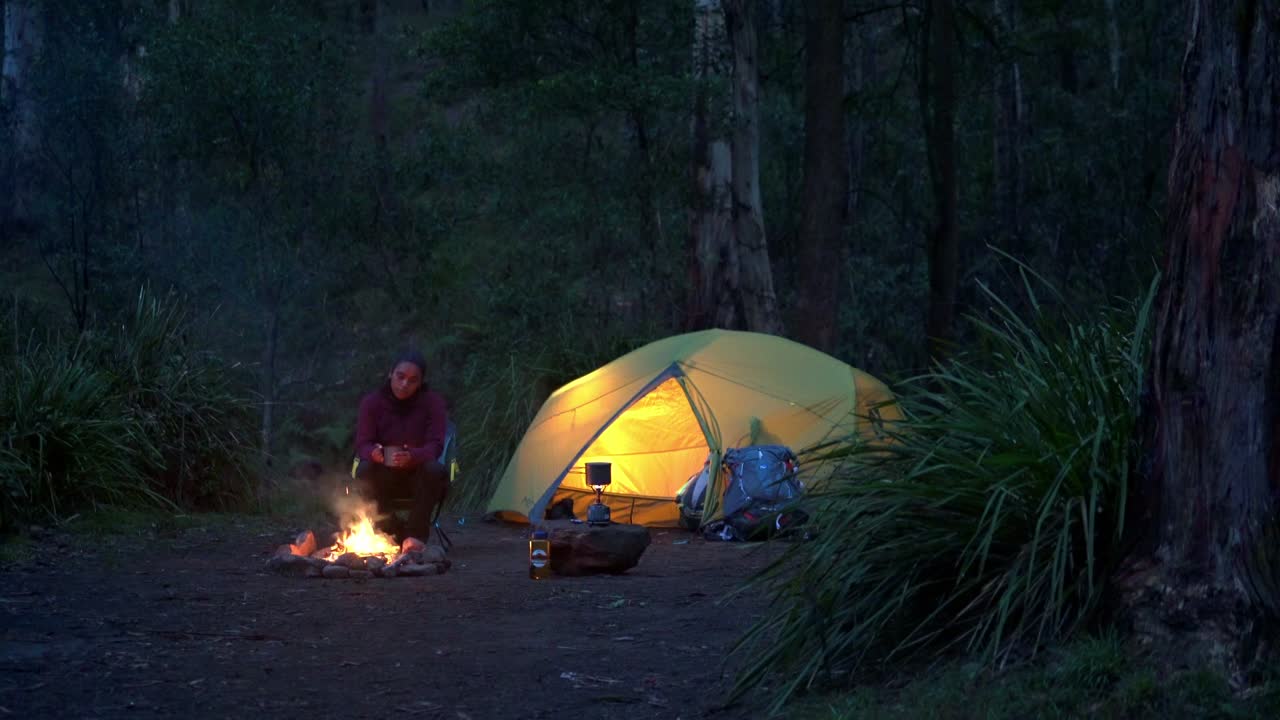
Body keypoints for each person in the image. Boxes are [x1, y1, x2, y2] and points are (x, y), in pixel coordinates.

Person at [352, 350, 449, 543]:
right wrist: (374, 452)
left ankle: (415, 537)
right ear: (390, 374)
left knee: (434, 469)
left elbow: (435, 446)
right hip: (384, 473)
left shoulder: (432, 403)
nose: (405, 384)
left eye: (413, 380)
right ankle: (390, 531)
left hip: (418, 474)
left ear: (420, 382)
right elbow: (362, 443)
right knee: (365, 468)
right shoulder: (372, 403)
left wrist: (413, 455)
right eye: (400, 376)